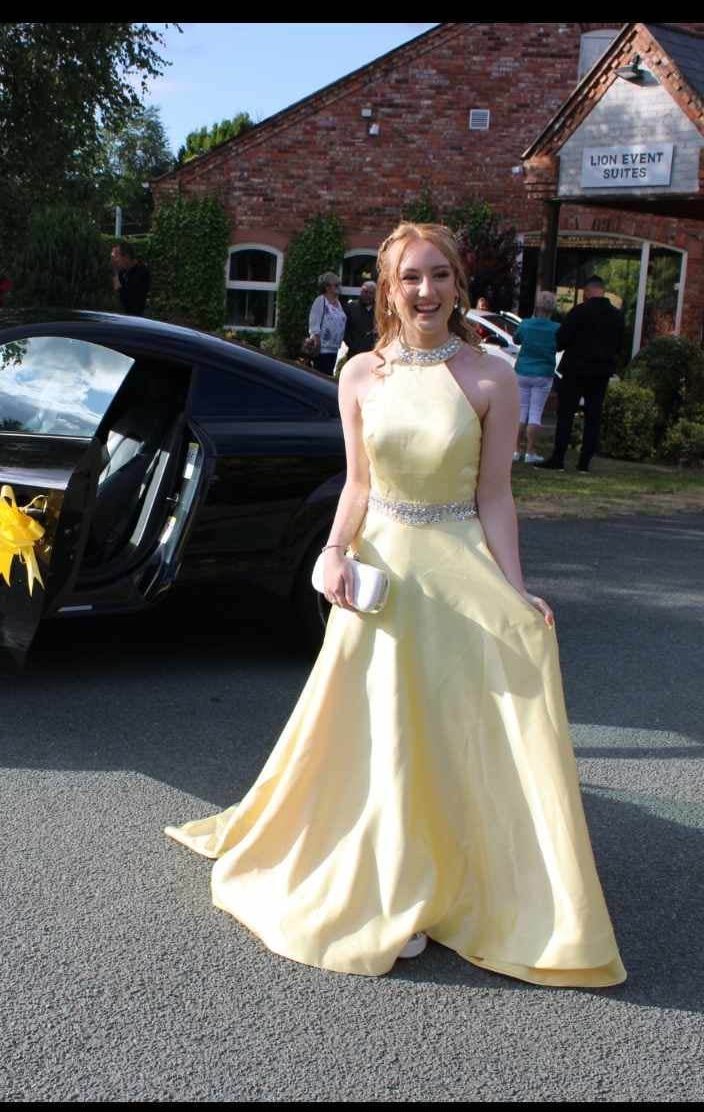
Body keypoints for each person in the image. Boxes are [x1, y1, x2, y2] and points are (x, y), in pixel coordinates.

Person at [166, 219, 625, 990]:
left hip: (455, 567)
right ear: (387, 288)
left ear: (459, 284)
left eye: (440, 275)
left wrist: (512, 587)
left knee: (445, 729)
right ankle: (388, 882)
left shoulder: (490, 377)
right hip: (382, 568)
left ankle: (443, 881)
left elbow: (496, 497)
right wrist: (333, 551)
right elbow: (357, 484)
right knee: (380, 730)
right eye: (410, 276)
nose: (426, 290)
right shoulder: (359, 374)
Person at [543, 275, 625, 474]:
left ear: (587, 292)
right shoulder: (616, 316)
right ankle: (584, 463)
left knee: (566, 414)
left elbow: (561, 340)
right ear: (602, 290)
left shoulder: (579, 312)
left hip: (575, 369)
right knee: (593, 416)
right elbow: (621, 345)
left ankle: (558, 458)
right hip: (601, 371)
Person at [513, 288, 560, 464]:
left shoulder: (525, 324)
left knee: (521, 411)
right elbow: (559, 346)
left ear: (537, 306)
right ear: (552, 308)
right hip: (544, 373)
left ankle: (516, 450)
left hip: (523, 370)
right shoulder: (556, 328)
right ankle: (531, 451)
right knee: (535, 413)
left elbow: (516, 340)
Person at [306, 272, 345, 374]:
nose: (338, 287)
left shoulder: (338, 302)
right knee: (321, 375)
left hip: (334, 349)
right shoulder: (320, 301)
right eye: (336, 285)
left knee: (328, 374)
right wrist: (317, 341)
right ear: (327, 287)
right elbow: (314, 323)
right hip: (322, 349)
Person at [111, 242, 150, 316]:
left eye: (116, 256)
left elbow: (125, 297)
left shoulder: (142, 272)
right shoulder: (122, 272)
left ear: (126, 257)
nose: (115, 261)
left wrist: (114, 274)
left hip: (135, 319)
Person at [341, 279, 377, 360]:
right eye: (365, 292)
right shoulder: (350, 307)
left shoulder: (379, 311)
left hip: (373, 354)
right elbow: (344, 330)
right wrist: (352, 344)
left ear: (375, 295)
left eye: (370, 293)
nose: (367, 295)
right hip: (354, 353)